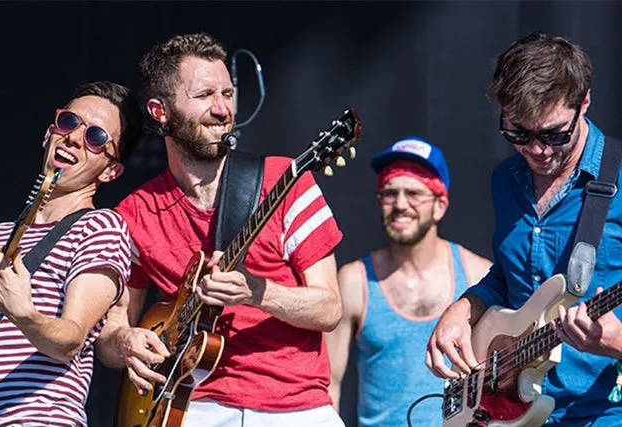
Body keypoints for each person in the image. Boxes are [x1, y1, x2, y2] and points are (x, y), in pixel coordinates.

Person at [95, 33, 345, 427]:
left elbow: (329, 309)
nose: (222, 109)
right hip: (191, 404)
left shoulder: (285, 182)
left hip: (296, 405)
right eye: (205, 95)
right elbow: (113, 326)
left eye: (228, 94)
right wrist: (124, 341)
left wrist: (258, 292)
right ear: (160, 111)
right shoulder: (136, 213)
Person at [426, 32, 622, 425]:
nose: (537, 150)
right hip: (513, 412)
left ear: (584, 102)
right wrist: (463, 308)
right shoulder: (506, 179)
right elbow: (508, 277)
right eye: (519, 133)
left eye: (554, 134)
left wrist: (618, 344)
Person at [0, 81, 142, 426]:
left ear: (111, 170)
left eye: (96, 137)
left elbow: (70, 339)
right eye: (69, 122)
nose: (74, 138)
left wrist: (23, 313)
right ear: (48, 134)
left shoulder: (100, 228)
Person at [326, 138, 491, 426]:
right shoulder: (355, 280)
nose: (400, 205)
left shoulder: (479, 275)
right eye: (390, 193)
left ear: (439, 205)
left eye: (414, 193)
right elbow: (329, 384)